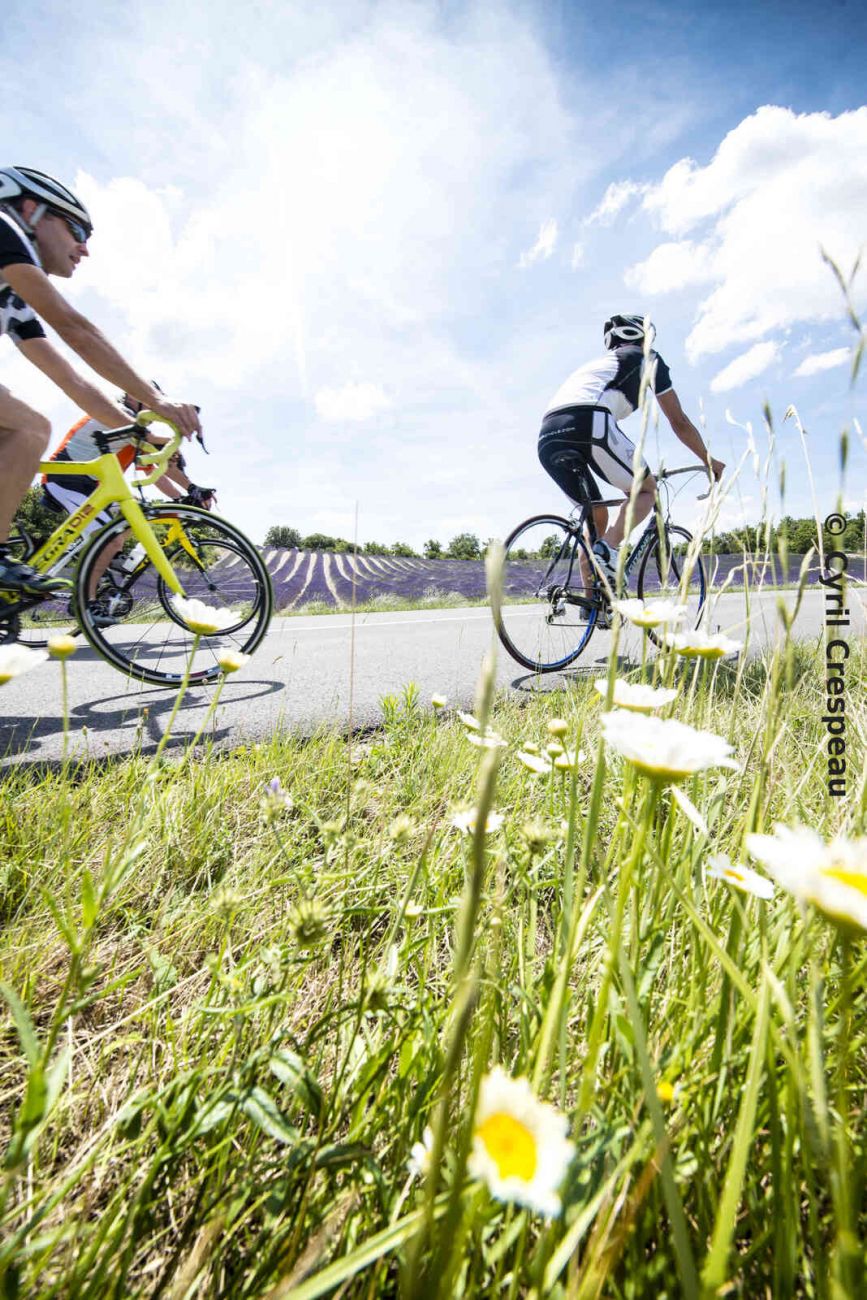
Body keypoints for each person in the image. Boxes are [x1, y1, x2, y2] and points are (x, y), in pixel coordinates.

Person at [0, 165, 201, 595]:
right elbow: (76, 330)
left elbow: (72, 380)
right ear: (31, 210)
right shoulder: (3, 229)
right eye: (77, 230)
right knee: (30, 427)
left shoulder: (12, 298)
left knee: (27, 428)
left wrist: (140, 435)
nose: (84, 249)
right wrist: (156, 400)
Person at [538, 313, 725, 605]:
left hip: (548, 434)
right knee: (646, 490)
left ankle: (593, 604)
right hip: (589, 421)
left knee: (596, 515)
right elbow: (679, 422)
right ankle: (609, 550)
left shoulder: (596, 367)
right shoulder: (648, 358)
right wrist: (709, 459)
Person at [41, 386, 217, 624]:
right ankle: (85, 601)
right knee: (110, 538)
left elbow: (159, 471)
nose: (150, 400)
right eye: (143, 393)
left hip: (94, 487)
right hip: (68, 481)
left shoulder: (135, 430)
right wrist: (172, 446)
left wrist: (190, 491)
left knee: (137, 512)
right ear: (130, 395)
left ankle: (107, 561)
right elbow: (156, 447)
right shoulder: (120, 416)